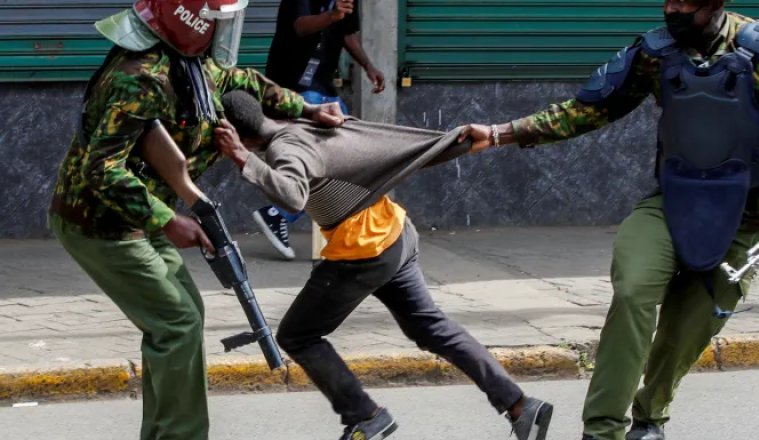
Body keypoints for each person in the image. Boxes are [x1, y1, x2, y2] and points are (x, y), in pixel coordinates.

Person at [458, 1, 759, 439]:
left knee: (688, 328)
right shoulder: (655, 53)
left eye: (686, 1)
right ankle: (602, 429)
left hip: (747, 219)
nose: (673, 9)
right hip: (672, 203)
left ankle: (650, 420)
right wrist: (498, 133)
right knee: (633, 289)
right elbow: (588, 109)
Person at [47, 1, 341, 438]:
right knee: (176, 323)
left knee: (186, 315)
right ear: (190, 20)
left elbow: (247, 82)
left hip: (140, 216)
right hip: (98, 222)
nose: (224, 29)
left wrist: (307, 110)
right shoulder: (140, 79)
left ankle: (164, 431)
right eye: (218, 19)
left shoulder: (191, 64)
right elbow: (102, 170)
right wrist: (169, 220)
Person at [213, 90, 554, 440]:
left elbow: (292, 196)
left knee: (297, 335)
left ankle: (366, 416)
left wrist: (243, 159)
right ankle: (519, 405)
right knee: (429, 327)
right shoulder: (305, 123)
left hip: (363, 249)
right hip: (395, 232)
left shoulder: (284, 150)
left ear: (236, 135)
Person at [253, 0, 386, 260]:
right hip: (293, 89)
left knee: (349, 154)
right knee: (316, 161)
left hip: (324, 88)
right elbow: (300, 27)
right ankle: (278, 214)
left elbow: (349, 35)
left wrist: (368, 66)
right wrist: (331, 16)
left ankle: (337, 228)